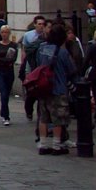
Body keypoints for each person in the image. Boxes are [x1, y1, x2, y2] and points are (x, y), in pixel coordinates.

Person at [35, 22, 77, 156]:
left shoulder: (42, 49)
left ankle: (42, 144)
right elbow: (71, 70)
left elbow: (37, 64)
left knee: (43, 117)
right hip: (58, 88)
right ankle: (56, 145)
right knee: (58, 118)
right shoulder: (62, 52)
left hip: (43, 88)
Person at [20, 15, 47, 121]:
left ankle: (41, 112)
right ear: (35, 24)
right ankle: (29, 109)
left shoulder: (46, 36)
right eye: (39, 24)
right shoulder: (28, 35)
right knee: (31, 91)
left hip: (41, 66)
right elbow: (24, 50)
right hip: (30, 65)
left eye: (43, 24)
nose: (41, 26)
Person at [0, 25, 18, 125]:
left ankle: (3, 112)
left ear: (9, 33)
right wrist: (2, 60)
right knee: (4, 93)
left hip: (9, 72)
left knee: (7, 93)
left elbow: (12, 59)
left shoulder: (13, 45)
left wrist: (0, 59)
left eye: (6, 32)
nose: (4, 34)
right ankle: (6, 116)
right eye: (2, 32)